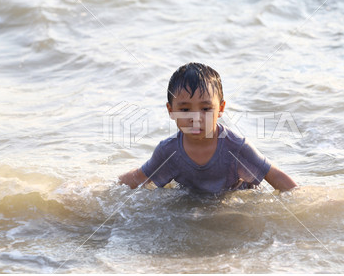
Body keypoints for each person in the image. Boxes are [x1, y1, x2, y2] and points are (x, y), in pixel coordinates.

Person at [118, 62, 298, 193]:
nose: (196, 118)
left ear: (220, 109)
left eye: (205, 109)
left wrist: (302, 202)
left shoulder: (236, 147)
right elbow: (140, 177)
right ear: (171, 111)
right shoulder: (168, 151)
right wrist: (102, 192)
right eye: (185, 109)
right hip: (194, 203)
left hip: (234, 200)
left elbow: (274, 175)